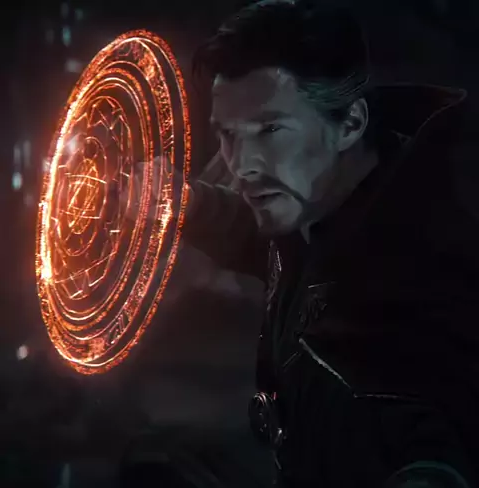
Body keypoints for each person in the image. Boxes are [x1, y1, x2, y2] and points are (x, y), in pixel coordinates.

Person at [128, 0, 479, 486]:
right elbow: (271, 243)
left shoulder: (417, 273)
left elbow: (438, 450)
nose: (242, 165)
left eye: (270, 130)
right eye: (228, 135)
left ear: (350, 124)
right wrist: (181, 203)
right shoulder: (319, 201)